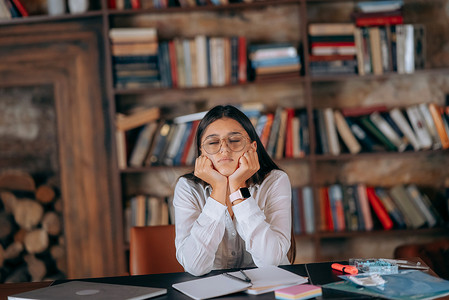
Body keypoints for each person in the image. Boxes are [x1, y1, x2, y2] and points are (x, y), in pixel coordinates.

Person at [173, 105, 295, 276]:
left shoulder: (275, 181)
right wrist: (219, 189)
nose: (224, 149)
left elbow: (271, 261)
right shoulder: (187, 188)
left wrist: (237, 187)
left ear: (252, 148)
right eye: (213, 142)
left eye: (235, 140)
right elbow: (195, 266)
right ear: (202, 153)